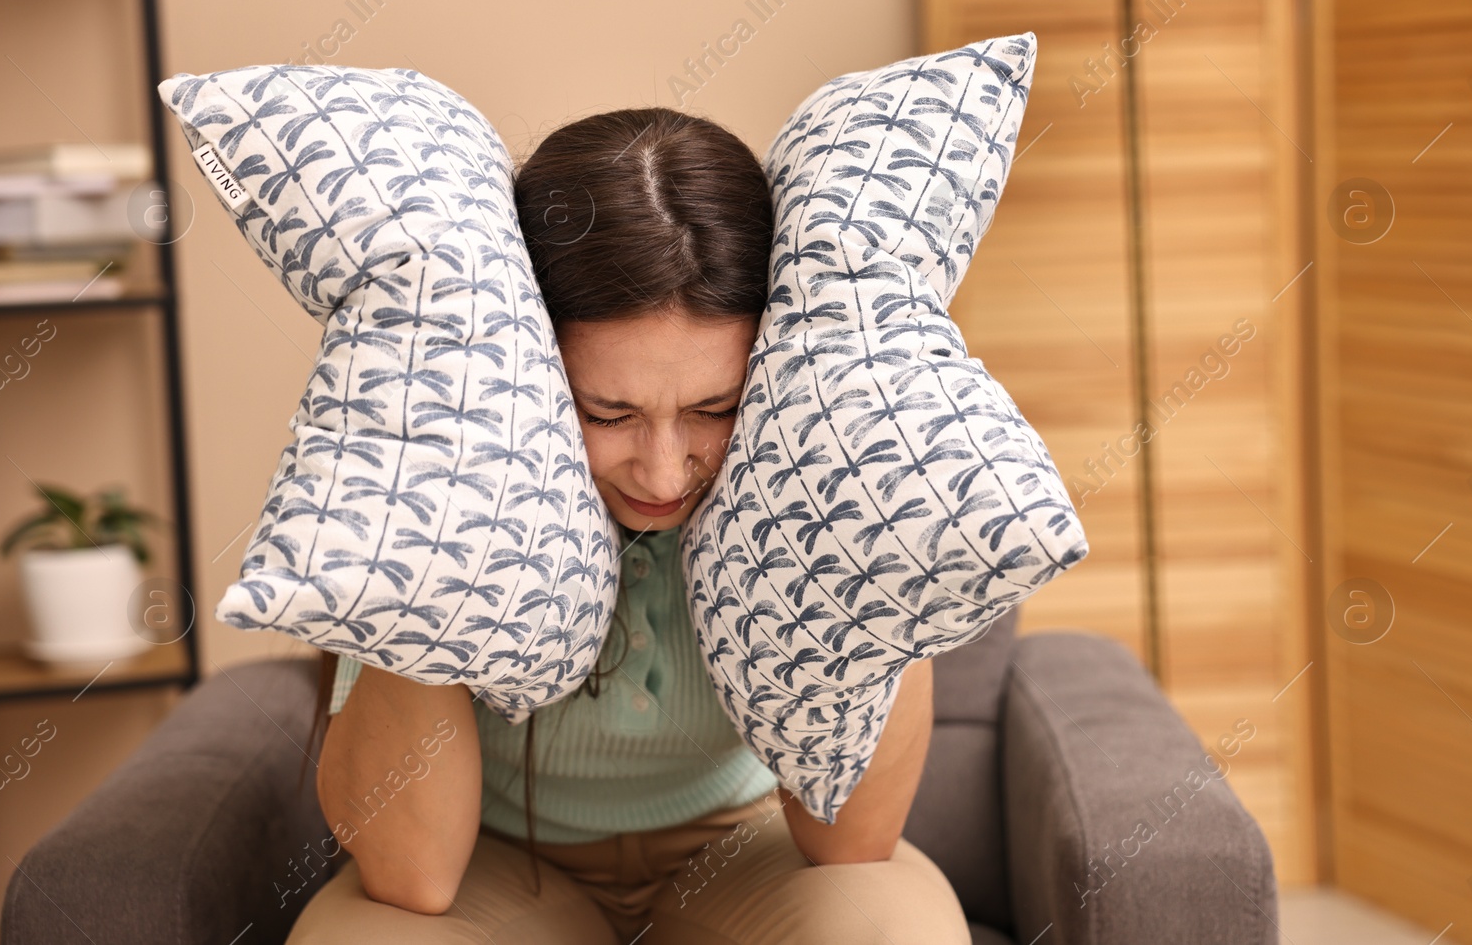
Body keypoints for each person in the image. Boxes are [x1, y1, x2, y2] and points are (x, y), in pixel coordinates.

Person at [285, 107, 971, 944]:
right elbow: (413, 876)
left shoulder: (801, 463)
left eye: (711, 408)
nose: (661, 470)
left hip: (748, 844)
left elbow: (852, 839)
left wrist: (878, 487)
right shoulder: (445, 467)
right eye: (607, 413)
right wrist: (438, 498)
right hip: (500, 860)